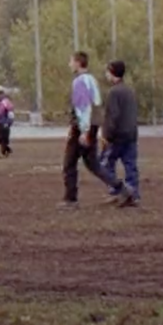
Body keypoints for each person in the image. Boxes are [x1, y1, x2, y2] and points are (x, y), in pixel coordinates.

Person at [61, 51, 115, 208]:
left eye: (71, 61)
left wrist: (84, 131)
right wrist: (93, 129)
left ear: (78, 63)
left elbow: (83, 107)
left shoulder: (79, 82)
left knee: (69, 163)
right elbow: (96, 105)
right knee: (93, 164)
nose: (69, 64)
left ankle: (70, 199)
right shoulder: (92, 80)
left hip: (81, 127)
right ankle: (120, 188)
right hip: (92, 125)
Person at [100, 59, 140, 208]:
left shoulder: (113, 92)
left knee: (104, 165)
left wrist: (106, 135)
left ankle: (116, 192)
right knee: (131, 166)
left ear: (111, 72)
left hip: (116, 136)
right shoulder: (130, 91)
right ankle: (133, 194)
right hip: (131, 134)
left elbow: (113, 116)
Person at [0, 87, 15, 157]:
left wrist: (9, 122)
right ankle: (7, 149)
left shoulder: (7, 102)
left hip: (4, 122)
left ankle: (4, 152)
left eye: (1, 93)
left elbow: (10, 113)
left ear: (3, 94)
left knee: (4, 138)